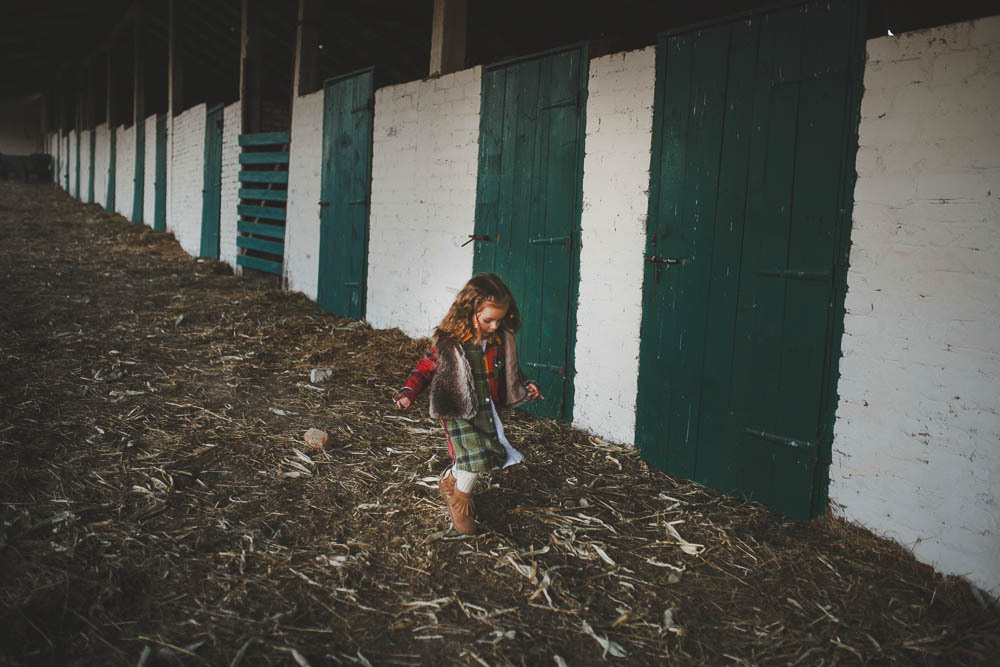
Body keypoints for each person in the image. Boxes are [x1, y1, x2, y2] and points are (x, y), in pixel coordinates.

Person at [394, 273, 542, 535]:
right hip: (458, 408)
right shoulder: (449, 343)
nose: (495, 326)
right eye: (488, 320)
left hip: (487, 407)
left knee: (479, 454)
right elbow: (425, 368)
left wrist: (525, 385)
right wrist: (408, 392)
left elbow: (510, 371)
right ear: (468, 311)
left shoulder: (499, 340)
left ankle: (450, 481)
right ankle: (460, 502)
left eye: (500, 319)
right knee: (475, 458)